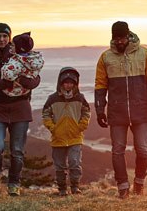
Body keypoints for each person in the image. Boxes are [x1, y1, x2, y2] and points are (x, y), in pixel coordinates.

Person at [94, 21, 147, 199]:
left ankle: (139, 184)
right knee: (117, 150)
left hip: (141, 111)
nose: (119, 41)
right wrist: (100, 110)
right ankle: (123, 189)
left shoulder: (144, 54)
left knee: (143, 149)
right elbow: (100, 85)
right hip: (117, 113)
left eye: (122, 37)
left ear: (128, 35)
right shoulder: (105, 57)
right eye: (116, 38)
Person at [0, 22, 41, 196]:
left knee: (17, 150)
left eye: (5, 36)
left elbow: (35, 77)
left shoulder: (20, 54)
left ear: (10, 38)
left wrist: (28, 82)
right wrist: (4, 83)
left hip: (20, 107)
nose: (2, 39)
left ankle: (14, 183)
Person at [42, 67, 90, 196]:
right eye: (65, 82)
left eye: (71, 82)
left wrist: (82, 126)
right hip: (58, 138)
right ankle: (62, 189)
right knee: (60, 166)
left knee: (75, 163)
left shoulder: (80, 98)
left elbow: (86, 112)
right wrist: (53, 128)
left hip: (75, 137)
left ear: (75, 84)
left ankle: (75, 187)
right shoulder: (52, 98)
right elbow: (46, 114)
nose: (68, 85)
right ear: (61, 83)